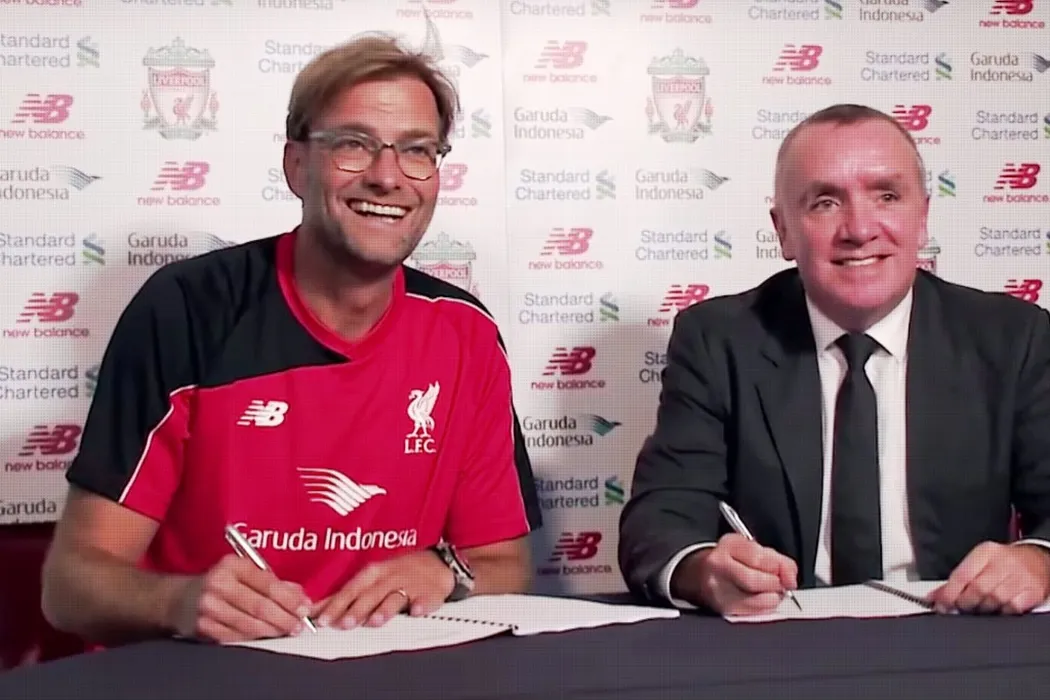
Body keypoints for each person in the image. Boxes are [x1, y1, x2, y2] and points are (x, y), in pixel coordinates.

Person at [41, 35, 542, 645]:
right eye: (354, 144)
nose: (387, 177)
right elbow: (71, 585)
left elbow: (505, 566)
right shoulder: (188, 308)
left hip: (389, 671)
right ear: (297, 165)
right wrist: (179, 601)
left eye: (417, 150)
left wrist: (446, 573)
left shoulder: (466, 332)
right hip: (206, 671)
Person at [618, 104, 1050, 617]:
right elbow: (659, 518)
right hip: (782, 636)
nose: (859, 229)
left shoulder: (1012, 338)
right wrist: (703, 570)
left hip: (956, 629)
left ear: (923, 218)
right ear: (782, 230)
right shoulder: (718, 340)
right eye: (825, 203)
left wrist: (1039, 559)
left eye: (886, 196)